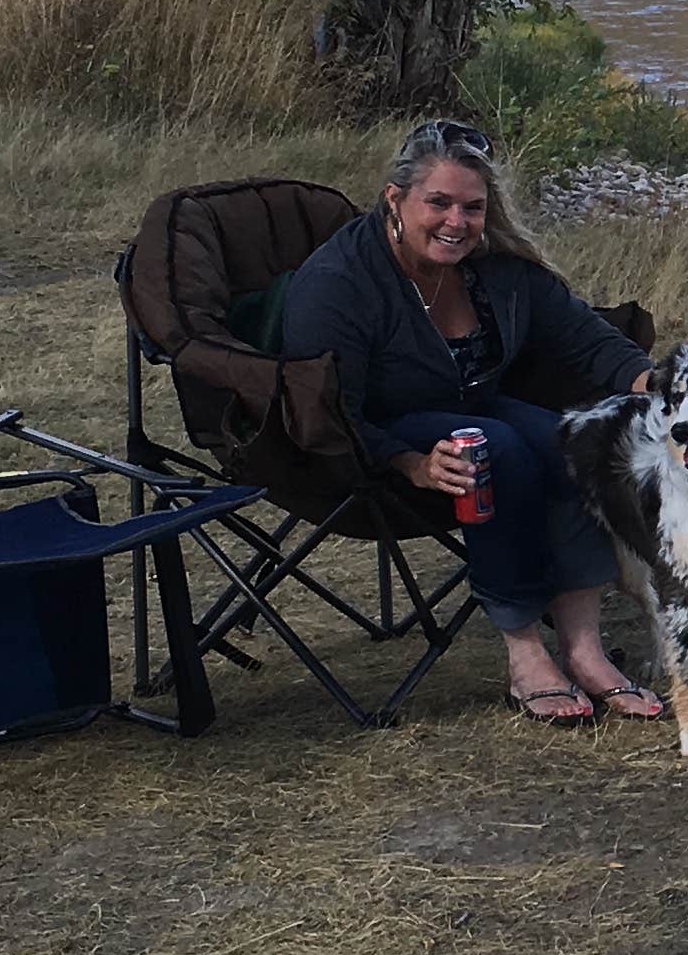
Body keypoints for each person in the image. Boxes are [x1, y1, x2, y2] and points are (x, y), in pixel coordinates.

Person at [279, 119, 663, 727]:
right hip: (376, 435)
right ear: (395, 199)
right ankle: (524, 654)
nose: (456, 222)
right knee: (493, 449)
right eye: (439, 202)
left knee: (575, 443)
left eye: (472, 207)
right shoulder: (339, 283)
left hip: (474, 402)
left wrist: (666, 392)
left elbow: (591, 344)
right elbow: (330, 415)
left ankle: (585, 651)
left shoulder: (498, 268)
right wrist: (410, 463)